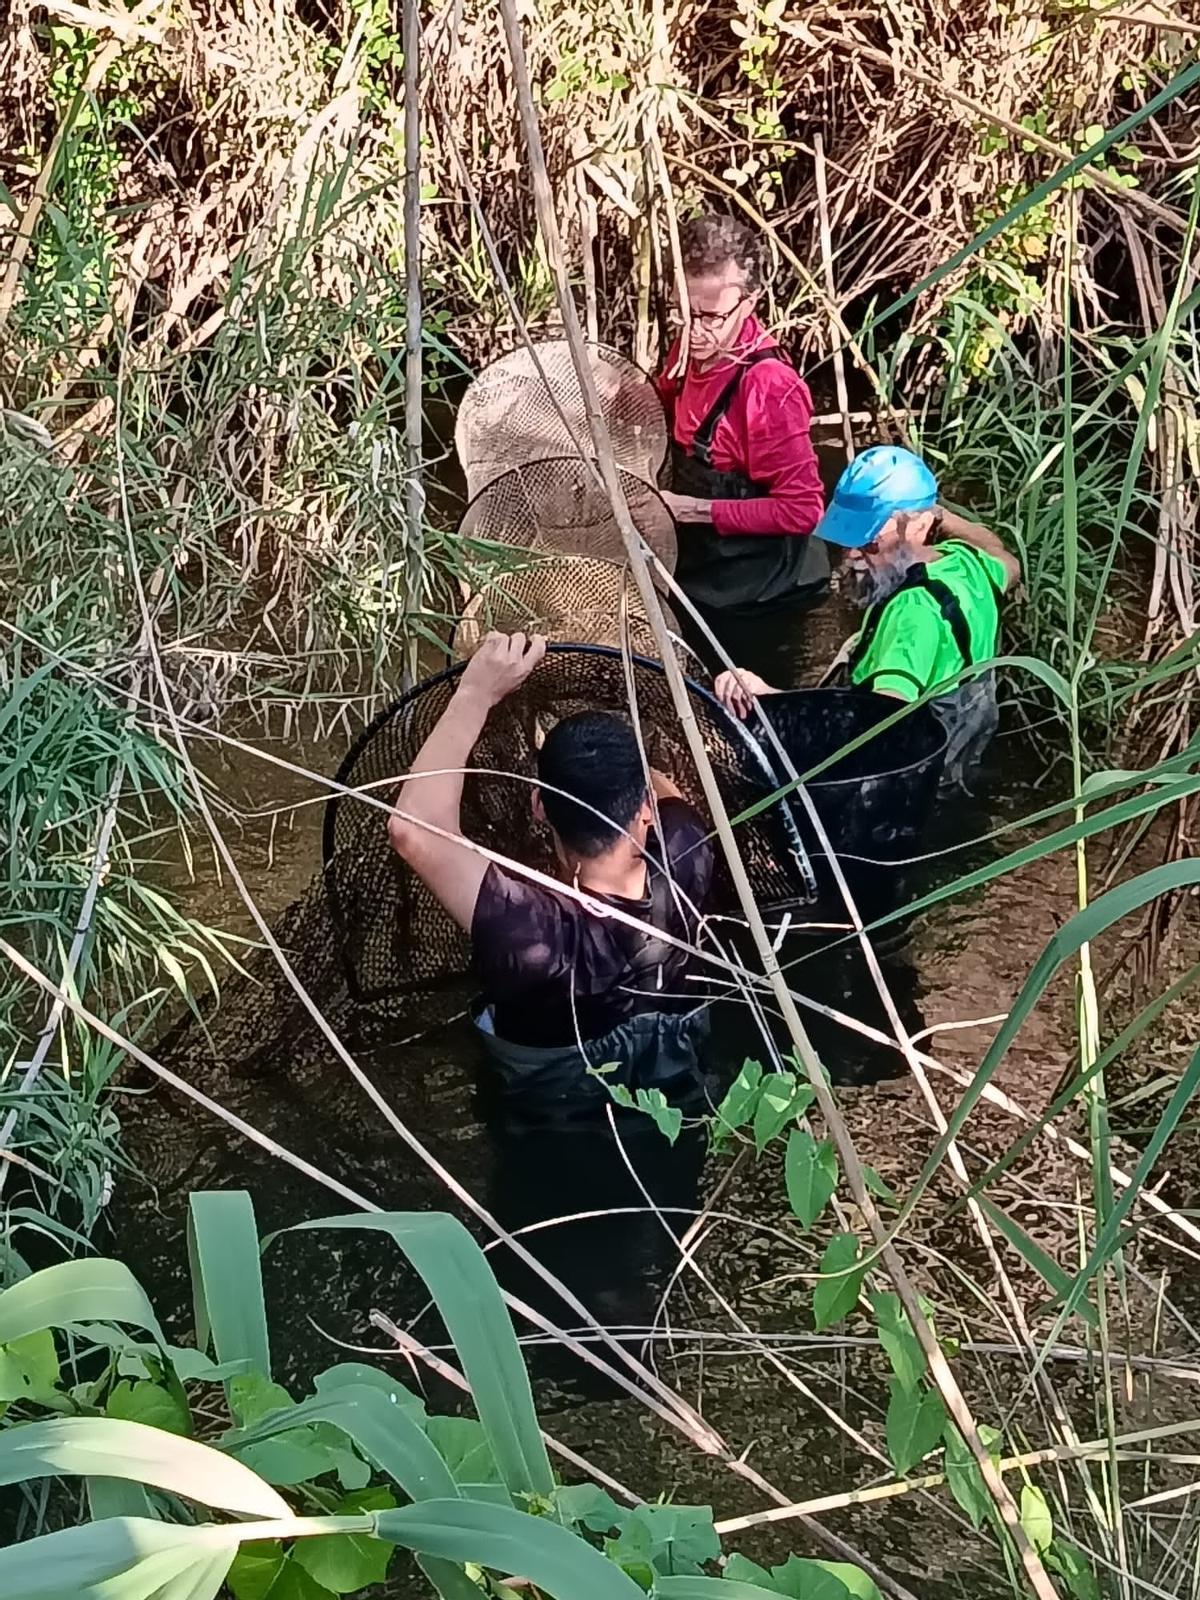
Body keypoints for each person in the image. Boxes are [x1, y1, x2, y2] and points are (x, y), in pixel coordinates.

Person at [387, 632, 715, 1111]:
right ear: (645, 807)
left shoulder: (533, 933)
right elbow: (665, 793)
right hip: (675, 1120)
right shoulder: (689, 854)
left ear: (538, 806)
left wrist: (475, 692)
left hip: (548, 1140)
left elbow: (412, 829)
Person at [713, 446, 1020, 787]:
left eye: (870, 542)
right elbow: (1003, 555)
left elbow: (876, 727)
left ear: (919, 526)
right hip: (957, 764)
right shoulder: (968, 562)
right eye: (848, 539)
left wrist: (771, 698)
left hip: (899, 785)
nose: (853, 555)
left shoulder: (911, 615)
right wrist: (936, 512)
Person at [655, 214, 827, 657]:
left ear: (748, 305)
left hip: (758, 594)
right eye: (684, 312)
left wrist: (691, 510)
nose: (694, 330)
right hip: (701, 565)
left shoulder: (769, 389)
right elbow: (665, 401)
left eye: (710, 316)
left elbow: (803, 510)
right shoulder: (693, 342)